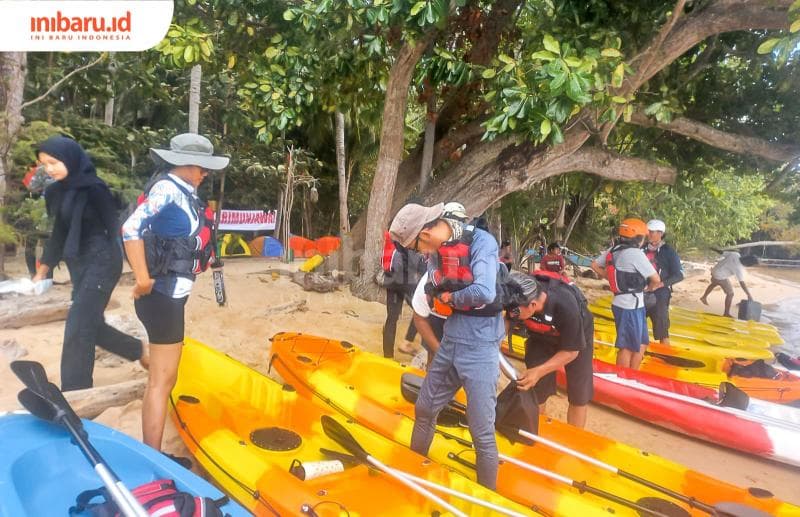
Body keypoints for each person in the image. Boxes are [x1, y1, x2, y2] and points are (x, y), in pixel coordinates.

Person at [121, 133, 227, 455]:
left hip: (169, 296)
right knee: (161, 382)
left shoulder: (183, 191)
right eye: (203, 167)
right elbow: (130, 228)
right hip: (162, 297)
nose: (206, 173)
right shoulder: (167, 189)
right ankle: (154, 459)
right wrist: (141, 278)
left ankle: (153, 452)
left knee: (163, 374)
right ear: (186, 165)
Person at [390, 202, 503, 489]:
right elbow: (428, 299)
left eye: (416, 246)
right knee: (425, 407)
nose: (419, 253)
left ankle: (487, 501)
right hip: (451, 341)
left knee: (481, 432)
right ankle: (414, 473)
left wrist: (450, 299)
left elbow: (486, 291)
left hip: (480, 347)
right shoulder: (436, 254)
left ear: (424, 234)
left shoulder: (481, 242)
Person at [31, 135, 146, 391]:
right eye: (44, 164)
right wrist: (43, 269)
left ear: (70, 158)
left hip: (103, 261)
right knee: (91, 323)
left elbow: (117, 227)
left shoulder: (94, 188)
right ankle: (140, 351)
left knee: (77, 326)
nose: (49, 169)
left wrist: (139, 271)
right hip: (79, 264)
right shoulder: (56, 192)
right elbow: (59, 233)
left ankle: (74, 392)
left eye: (53, 162)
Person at [505, 271, 593, 428]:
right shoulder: (517, 298)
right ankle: (537, 428)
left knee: (578, 392)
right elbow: (505, 323)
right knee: (535, 387)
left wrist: (539, 370)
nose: (511, 315)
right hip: (541, 337)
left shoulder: (565, 305)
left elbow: (572, 352)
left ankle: (576, 436)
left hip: (576, 338)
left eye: (515, 312)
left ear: (532, 305)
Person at [591, 218, 660, 370]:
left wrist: (611, 279)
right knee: (627, 347)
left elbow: (595, 265)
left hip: (629, 304)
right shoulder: (635, 254)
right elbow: (656, 279)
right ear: (638, 237)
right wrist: (648, 289)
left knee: (641, 344)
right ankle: (622, 378)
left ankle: (633, 375)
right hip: (629, 307)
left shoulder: (614, 250)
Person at [381, 230, 425, 358]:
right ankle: (407, 343)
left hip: (391, 279)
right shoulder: (414, 234)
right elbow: (416, 261)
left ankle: (388, 357)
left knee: (391, 318)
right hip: (406, 281)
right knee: (422, 310)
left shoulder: (395, 233)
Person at [642, 219, 683, 345]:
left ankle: (666, 357)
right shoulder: (641, 249)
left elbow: (679, 275)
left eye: (651, 232)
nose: (648, 234)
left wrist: (659, 284)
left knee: (662, 330)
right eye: (647, 231)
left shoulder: (669, 252)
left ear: (660, 233)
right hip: (640, 294)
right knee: (637, 328)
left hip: (660, 295)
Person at [700, 250, 757, 317]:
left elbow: (722, 252)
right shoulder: (739, 269)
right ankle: (726, 313)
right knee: (730, 294)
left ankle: (704, 297)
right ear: (748, 264)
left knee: (714, 283)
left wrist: (713, 248)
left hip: (714, 270)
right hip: (719, 276)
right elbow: (742, 283)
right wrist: (749, 295)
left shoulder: (735, 254)